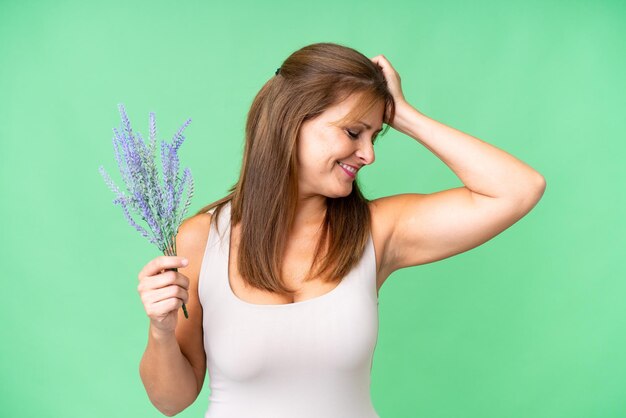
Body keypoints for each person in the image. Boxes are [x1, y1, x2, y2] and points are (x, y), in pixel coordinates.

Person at [136, 42, 546, 417]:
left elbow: (518, 189)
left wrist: (404, 115)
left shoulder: (378, 231)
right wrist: (162, 330)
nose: (368, 154)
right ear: (290, 120)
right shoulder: (202, 239)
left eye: (374, 136)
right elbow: (171, 401)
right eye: (353, 132)